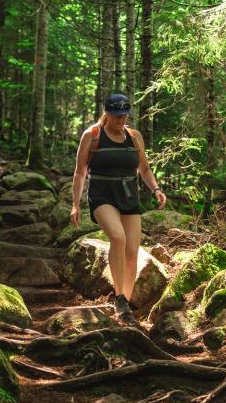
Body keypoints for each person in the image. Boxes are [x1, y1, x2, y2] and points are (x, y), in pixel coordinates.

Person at [70, 93, 167, 324]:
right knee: (118, 237)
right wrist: (75, 205)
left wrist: (156, 189)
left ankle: (125, 309)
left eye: (124, 116)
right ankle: (119, 297)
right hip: (102, 195)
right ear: (107, 114)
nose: (120, 121)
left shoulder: (134, 137)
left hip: (128, 196)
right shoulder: (92, 136)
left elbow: (144, 169)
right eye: (116, 116)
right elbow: (80, 172)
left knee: (133, 251)